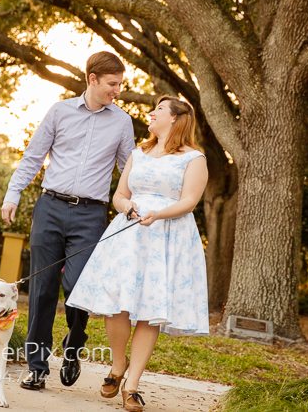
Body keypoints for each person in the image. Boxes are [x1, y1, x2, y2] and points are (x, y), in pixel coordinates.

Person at [1, 51, 135, 391]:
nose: (117, 90)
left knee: (78, 288)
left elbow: (132, 171)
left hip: (91, 214)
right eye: (112, 84)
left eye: (120, 84)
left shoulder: (121, 122)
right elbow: (33, 157)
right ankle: (37, 367)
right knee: (42, 290)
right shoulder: (59, 111)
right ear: (92, 79)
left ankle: (73, 347)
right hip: (50, 207)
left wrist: (139, 205)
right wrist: (12, 194)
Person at [66, 95, 209, 412]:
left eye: (158, 109)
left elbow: (189, 201)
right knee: (115, 302)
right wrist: (126, 206)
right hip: (128, 235)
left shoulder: (194, 158)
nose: (150, 113)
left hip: (167, 236)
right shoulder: (138, 153)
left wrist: (158, 214)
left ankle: (132, 386)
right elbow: (119, 194)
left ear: (176, 118)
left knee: (149, 310)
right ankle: (119, 365)